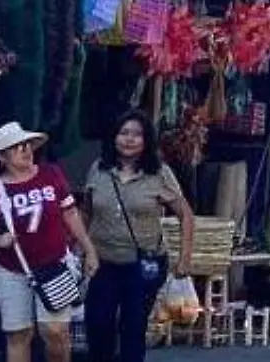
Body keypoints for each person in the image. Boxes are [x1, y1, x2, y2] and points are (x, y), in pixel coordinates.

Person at [0, 122, 99, 362]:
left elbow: (70, 213)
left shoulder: (51, 174)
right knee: (18, 334)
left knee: (56, 331)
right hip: (12, 269)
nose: (25, 150)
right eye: (16, 147)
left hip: (54, 265)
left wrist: (88, 249)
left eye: (26, 144)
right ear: (1, 157)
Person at [81, 110, 195, 362]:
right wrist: (81, 248)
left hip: (143, 264)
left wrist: (184, 258)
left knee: (133, 330)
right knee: (98, 326)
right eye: (123, 133)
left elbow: (186, 215)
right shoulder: (98, 169)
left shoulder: (160, 173)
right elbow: (85, 212)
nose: (129, 140)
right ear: (113, 137)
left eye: (137, 135)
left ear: (147, 141)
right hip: (103, 262)